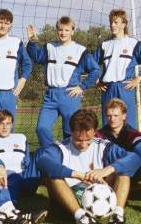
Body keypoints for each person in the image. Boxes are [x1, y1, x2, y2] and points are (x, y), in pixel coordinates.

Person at [37, 109, 141, 224]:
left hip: (99, 198)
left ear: (94, 132)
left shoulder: (103, 146)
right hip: (68, 202)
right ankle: (84, 220)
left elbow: (135, 158)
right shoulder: (60, 148)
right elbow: (42, 162)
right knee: (53, 176)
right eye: (78, 140)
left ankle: (116, 219)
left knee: (123, 171)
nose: (84, 144)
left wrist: (107, 170)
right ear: (71, 132)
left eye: (88, 139)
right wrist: (77, 175)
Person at [26, 16, 100, 147]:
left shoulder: (80, 50)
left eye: (66, 30)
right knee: (42, 129)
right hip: (51, 96)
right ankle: (53, 154)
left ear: (72, 31)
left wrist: (82, 87)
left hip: (70, 96)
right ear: (56, 31)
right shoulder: (49, 47)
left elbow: (95, 70)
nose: (63, 33)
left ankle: (70, 160)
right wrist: (32, 41)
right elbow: (36, 57)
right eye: (60, 30)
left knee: (70, 133)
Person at [0, 109, 45, 223]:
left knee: (42, 152)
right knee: (9, 176)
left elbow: (27, 160)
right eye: (1, 124)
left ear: (12, 124)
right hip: (6, 178)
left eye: (8, 124)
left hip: (25, 177)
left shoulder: (21, 137)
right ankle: (9, 206)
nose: (5, 127)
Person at [94, 9, 141, 130]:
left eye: (116, 22)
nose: (112, 25)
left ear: (124, 24)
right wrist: (96, 80)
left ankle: (130, 148)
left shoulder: (133, 43)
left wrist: (139, 78)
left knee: (128, 123)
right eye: (111, 22)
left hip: (125, 87)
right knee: (108, 123)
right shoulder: (105, 45)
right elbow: (90, 64)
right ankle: (110, 148)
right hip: (108, 88)